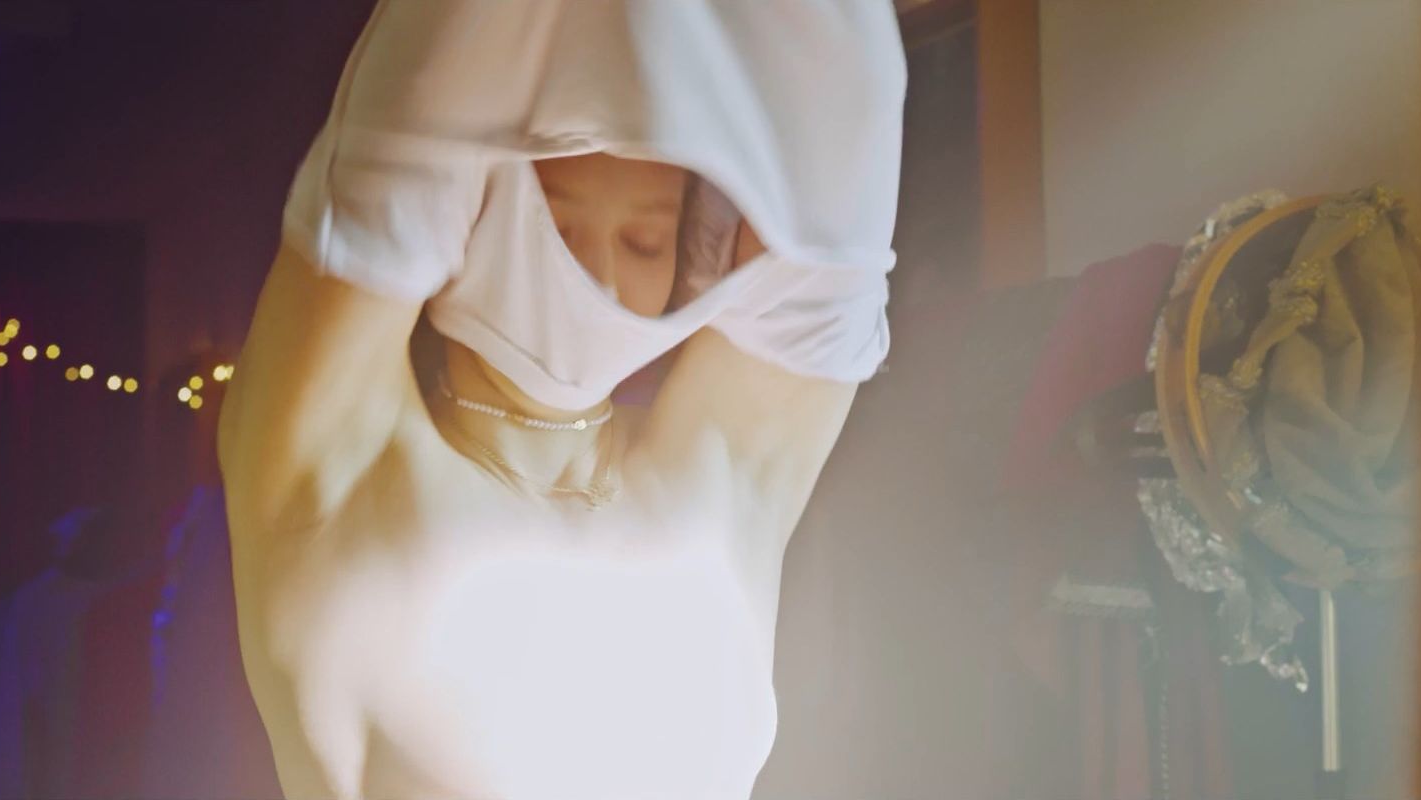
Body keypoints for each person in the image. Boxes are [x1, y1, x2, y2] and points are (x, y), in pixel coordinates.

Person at [218, 2, 907, 798]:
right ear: (470, 212)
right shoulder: (342, 474)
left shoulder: (717, 487)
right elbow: (402, 145)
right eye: (559, 228)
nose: (598, 281)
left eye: (644, 241)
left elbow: (840, 159)